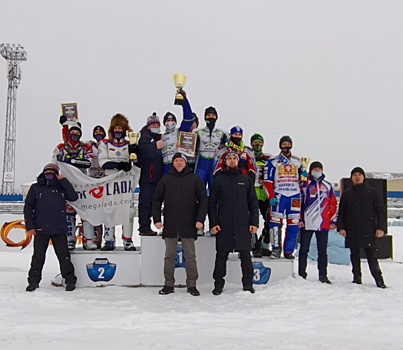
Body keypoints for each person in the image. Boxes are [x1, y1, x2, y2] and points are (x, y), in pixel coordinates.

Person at [152, 152, 208, 296]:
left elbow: (203, 200)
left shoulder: (194, 179)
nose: (178, 163)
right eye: (176, 160)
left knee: (190, 256)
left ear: (185, 162)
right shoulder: (165, 180)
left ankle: (192, 285)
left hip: (189, 224)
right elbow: (156, 200)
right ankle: (168, 284)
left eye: (181, 161)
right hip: (170, 224)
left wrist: (200, 220)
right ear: (173, 162)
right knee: (169, 256)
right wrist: (157, 219)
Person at [208, 152, 259, 295]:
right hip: (224, 225)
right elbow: (212, 204)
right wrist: (213, 223)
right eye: (229, 159)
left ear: (238, 161)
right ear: (225, 162)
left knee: (246, 256)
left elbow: (253, 204)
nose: (232, 161)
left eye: (234, 158)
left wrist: (254, 222)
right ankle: (218, 285)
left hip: (243, 225)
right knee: (221, 256)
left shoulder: (246, 180)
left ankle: (248, 285)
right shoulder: (219, 180)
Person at [24, 163, 78, 292]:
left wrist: (63, 181)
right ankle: (33, 281)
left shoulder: (61, 187)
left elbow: (73, 197)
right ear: (43, 173)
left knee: (64, 257)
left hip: (59, 229)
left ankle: (70, 280)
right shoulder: (36, 188)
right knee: (38, 257)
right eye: (46, 173)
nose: (49, 175)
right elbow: (28, 207)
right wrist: (29, 226)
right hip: (40, 229)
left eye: (52, 173)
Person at [337, 167, 387, 288]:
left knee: (371, 256)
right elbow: (342, 212)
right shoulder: (347, 194)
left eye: (360, 174)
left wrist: (381, 228)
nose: (357, 177)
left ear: (363, 177)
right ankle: (357, 278)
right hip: (352, 230)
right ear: (351, 178)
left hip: (369, 230)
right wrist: (341, 228)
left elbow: (381, 211)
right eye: (355, 175)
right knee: (354, 255)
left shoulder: (373, 192)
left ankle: (379, 280)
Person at [98, 113, 137, 251]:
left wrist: (134, 155)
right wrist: (119, 165)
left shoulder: (130, 143)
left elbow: (137, 161)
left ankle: (127, 240)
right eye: (116, 128)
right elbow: (102, 162)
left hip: (126, 183)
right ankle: (109, 240)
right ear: (112, 129)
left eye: (121, 128)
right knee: (109, 210)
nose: (119, 131)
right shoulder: (105, 143)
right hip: (110, 182)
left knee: (129, 211)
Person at [263, 135, 304, 259]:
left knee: (293, 224)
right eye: (284, 144)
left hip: (294, 197)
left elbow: (303, 182)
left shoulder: (298, 161)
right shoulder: (273, 161)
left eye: (288, 144)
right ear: (280, 145)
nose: (286, 146)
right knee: (274, 223)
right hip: (279, 196)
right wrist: (270, 196)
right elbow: (267, 180)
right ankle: (276, 249)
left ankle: (288, 251)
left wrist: (305, 176)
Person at [53, 123, 92, 250]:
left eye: (77, 133)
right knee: (69, 215)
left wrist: (70, 161)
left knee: (86, 213)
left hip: (83, 184)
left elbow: (88, 163)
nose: (74, 135)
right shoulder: (60, 147)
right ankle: (70, 239)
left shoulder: (85, 146)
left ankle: (88, 239)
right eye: (73, 133)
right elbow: (55, 164)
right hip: (67, 185)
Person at [298, 161, 337, 284]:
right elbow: (298, 203)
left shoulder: (327, 185)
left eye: (319, 168)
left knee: (322, 251)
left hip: (323, 224)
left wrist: (333, 220)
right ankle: (301, 274)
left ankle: (323, 275)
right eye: (315, 168)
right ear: (310, 170)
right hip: (306, 223)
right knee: (304, 249)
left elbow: (333, 204)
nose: (317, 170)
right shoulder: (305, 184)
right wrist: (299, 219)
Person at [138, 113, 163, 236]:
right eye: (153, 124)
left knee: (155, 202)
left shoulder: (159, 137)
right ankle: (144, 227)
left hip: (157, 176)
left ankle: (154, 224)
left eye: (157, 124)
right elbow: (145, 152)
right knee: (145, 202)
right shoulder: (145, 136)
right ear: (148, 126)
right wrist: (155, 146)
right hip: (148, 176)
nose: (156, 126)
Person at [82, 125, 107, 250]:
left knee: (103, 213)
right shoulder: (88, 145)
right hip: (91, 181)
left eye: (100, 132)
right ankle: (89, 238)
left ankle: (99, 240)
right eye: (96, 132)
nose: (98, 134)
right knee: (92, 212)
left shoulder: (107, 144)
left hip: (104, 180)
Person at [161, 91, 194, 176]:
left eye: (172, 120)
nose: (170, 122)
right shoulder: (160, 137)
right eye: (168, 121)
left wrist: (184, 101)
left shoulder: (179, 132)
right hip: (164, 167)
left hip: (177, 165)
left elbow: (189, 119)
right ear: (164, 123)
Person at [194, 106, 228, 188]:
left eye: (213, 115)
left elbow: (229, 147)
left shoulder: (223, 133)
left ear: (216, 117)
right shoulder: (197, 132)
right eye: (208, 115)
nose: (211, 117)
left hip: (215, 165)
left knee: (215, 189)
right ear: (205, 117)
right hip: (201, 164)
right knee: (198, 188)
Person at [250, 133, 272, 257]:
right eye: (255, 143)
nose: (257, 145)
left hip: (265, 194)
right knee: (252, 221)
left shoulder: (268, 157)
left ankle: (264, 243)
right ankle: (254, 247)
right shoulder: (248, 156)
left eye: (259, 142)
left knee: (270, 220)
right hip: (252, 193)